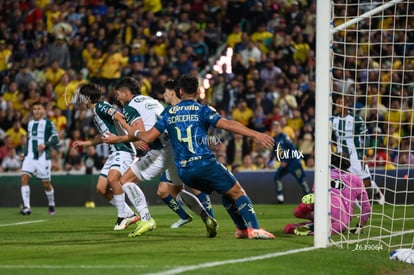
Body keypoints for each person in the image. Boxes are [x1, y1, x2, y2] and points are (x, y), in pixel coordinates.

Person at [122, 74, 275, 239]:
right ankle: (256, 229)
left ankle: (241, 230)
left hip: (184, 171)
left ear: (180, 91)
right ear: (197, 91)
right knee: (238, 192)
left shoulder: (168, 113)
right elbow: (229, 125)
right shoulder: (203, 110)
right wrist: (256, 135)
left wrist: (134, 132)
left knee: (227, 193)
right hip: (204, 164)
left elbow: (148, 137)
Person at [102, 76, 217, 238]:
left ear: (126, 92)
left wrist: (118, 138)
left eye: (118, 94)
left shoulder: (130, 107)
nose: (117, 98)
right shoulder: (152, 101)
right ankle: (207, 218)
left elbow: (140, 130)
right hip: (177, 148)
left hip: (161, 150)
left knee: (125, 181)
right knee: (175, 191)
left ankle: (146, 219)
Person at [73, 83, 140, 231]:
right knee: (101, 189)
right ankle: (130, 214)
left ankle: (122, 216)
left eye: (82, 97)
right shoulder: (95, 112)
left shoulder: (100, 106)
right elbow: (103, 136)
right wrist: (86, 143)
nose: (81, 100)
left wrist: (133, 134)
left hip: (123, 149)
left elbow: (119, 116)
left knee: (112, 179)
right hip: (114, 152)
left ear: (88, 97)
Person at [284, 153, 372, 236]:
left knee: (312, 215)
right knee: (334, 227)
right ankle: (312, 229)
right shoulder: (356, 179)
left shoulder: (323, 175)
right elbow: (366, 207)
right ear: (348, 163)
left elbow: (315, 193)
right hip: (341, 214)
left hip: (321, 210)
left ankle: (303, 220)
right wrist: (359, 227)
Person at [332, 96, 385, 205]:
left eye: (340, 103)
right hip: (341, 157)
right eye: (336, 103)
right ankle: (359, 209)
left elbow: (366, 136)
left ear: (346, 105)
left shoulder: (356, 119)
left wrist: (365, 154)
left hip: (356, 156)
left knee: (366, 183)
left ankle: (376, 191)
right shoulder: (334, 120)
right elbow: (332, 138)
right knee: (348, 184)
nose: (337, 106)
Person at [20, 102, 59, 215]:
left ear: (43, 111)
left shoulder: (48, 123)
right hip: (30, 157)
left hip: (43, 158)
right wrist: (24, 152)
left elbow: (56, 139)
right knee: (24, 178)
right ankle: (26, 207)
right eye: (34, 109)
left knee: (46, 184)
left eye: (39, 109)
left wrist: (45, 145)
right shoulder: (30, 123)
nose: (37, 111)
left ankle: (51, 204)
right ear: (32, 111)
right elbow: (29, 140)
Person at [267, 121, 310, 204]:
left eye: (277, 127)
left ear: (280, 128)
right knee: (277, 177)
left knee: (301, 180)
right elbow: (274, 151)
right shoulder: (275, 139)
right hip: (285, 163)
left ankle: (309, 197)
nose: (275, 129)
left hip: (294, 162)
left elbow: (293, 150)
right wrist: (270, 161)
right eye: (274, 128)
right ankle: (280, 198)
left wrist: (286, 160)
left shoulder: (285, 137)